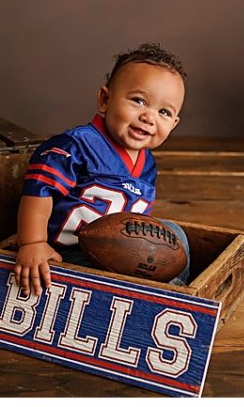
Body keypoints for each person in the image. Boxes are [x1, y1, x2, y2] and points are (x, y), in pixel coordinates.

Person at [13, 44, 188, 295]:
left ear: (174, 123)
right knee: (105, 273)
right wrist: (33, 243)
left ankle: (177, 288)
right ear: (105, 100)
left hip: (117, 249)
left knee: (176, 235)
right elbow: (39, 192)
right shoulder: (76, 145)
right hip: (69, 250)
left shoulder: (147, 165)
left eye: (163, 112)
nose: (149, 117)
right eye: (138, 101)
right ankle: (163, 293)